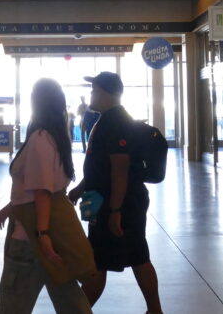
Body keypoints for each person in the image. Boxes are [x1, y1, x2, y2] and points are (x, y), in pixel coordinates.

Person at [0, 79, 92, 314]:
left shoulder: (40, 138)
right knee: (70, 301)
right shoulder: (58, 136)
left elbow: (42, 191)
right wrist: (11, 207)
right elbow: (44, 185)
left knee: (12, 304)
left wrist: (42, 236)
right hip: (52, 232)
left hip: (30, 236)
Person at [67, 72, 163, 314]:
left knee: (102, 262)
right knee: (134, 256)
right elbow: (101, 166)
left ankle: (78, 310)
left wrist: (115, 211)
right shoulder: (107, 120)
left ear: (104, 93)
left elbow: (119, 170)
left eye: (94, 90)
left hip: (119, 204)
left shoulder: (115, 123)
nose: (91, 95)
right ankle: (155, 311)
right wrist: (79, 189)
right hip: (116, 201)